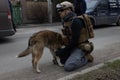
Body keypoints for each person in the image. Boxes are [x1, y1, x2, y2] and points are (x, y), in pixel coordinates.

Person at [55, 1, 94, 72]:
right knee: (62, 60)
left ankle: (86, 57)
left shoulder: (76, 21)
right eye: (59, 11)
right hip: (73, 46)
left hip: (81, 47)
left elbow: (74, 41)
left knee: (68, 66)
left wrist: (63, 51)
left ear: (68, 10)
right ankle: (74, 56)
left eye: (61, 10)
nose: (59, 12)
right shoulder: (66, 21)